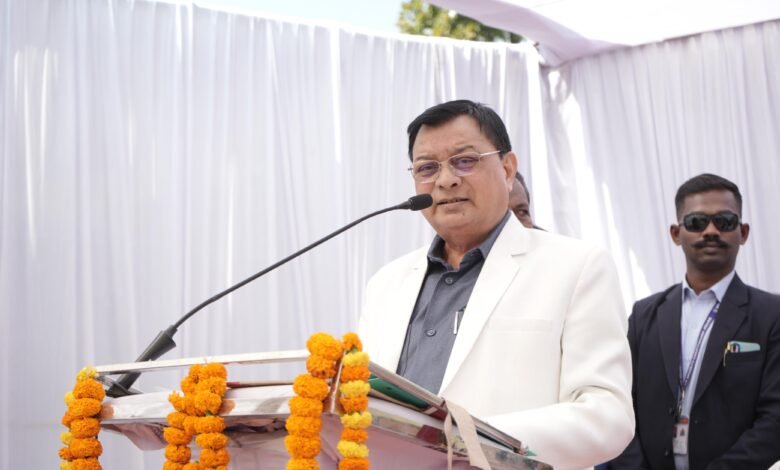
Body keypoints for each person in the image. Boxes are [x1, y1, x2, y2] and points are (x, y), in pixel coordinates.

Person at [359, 100, 634, 469]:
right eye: (427, 167)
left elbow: (607, 416)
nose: (445, 180)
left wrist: (467, 442)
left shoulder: (577, 266)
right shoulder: (386, 283)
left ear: (507, 169)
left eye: (464, 161)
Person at [609, 174, 780, 469]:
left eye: (725, 221)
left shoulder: (771, 315)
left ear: (743, 232)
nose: (711, 231)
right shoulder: (643, 316)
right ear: (676, 233)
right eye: (697, 222)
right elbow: (617, 405)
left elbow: (775, 419)